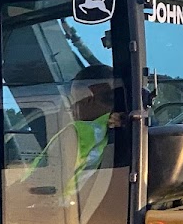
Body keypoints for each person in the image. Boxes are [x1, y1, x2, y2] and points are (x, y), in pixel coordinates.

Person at [29, 64, 122, 194]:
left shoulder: (75, 132)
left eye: (74, 100)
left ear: (89, 98)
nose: (71, 108)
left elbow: (50, 181)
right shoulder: (116, 128)